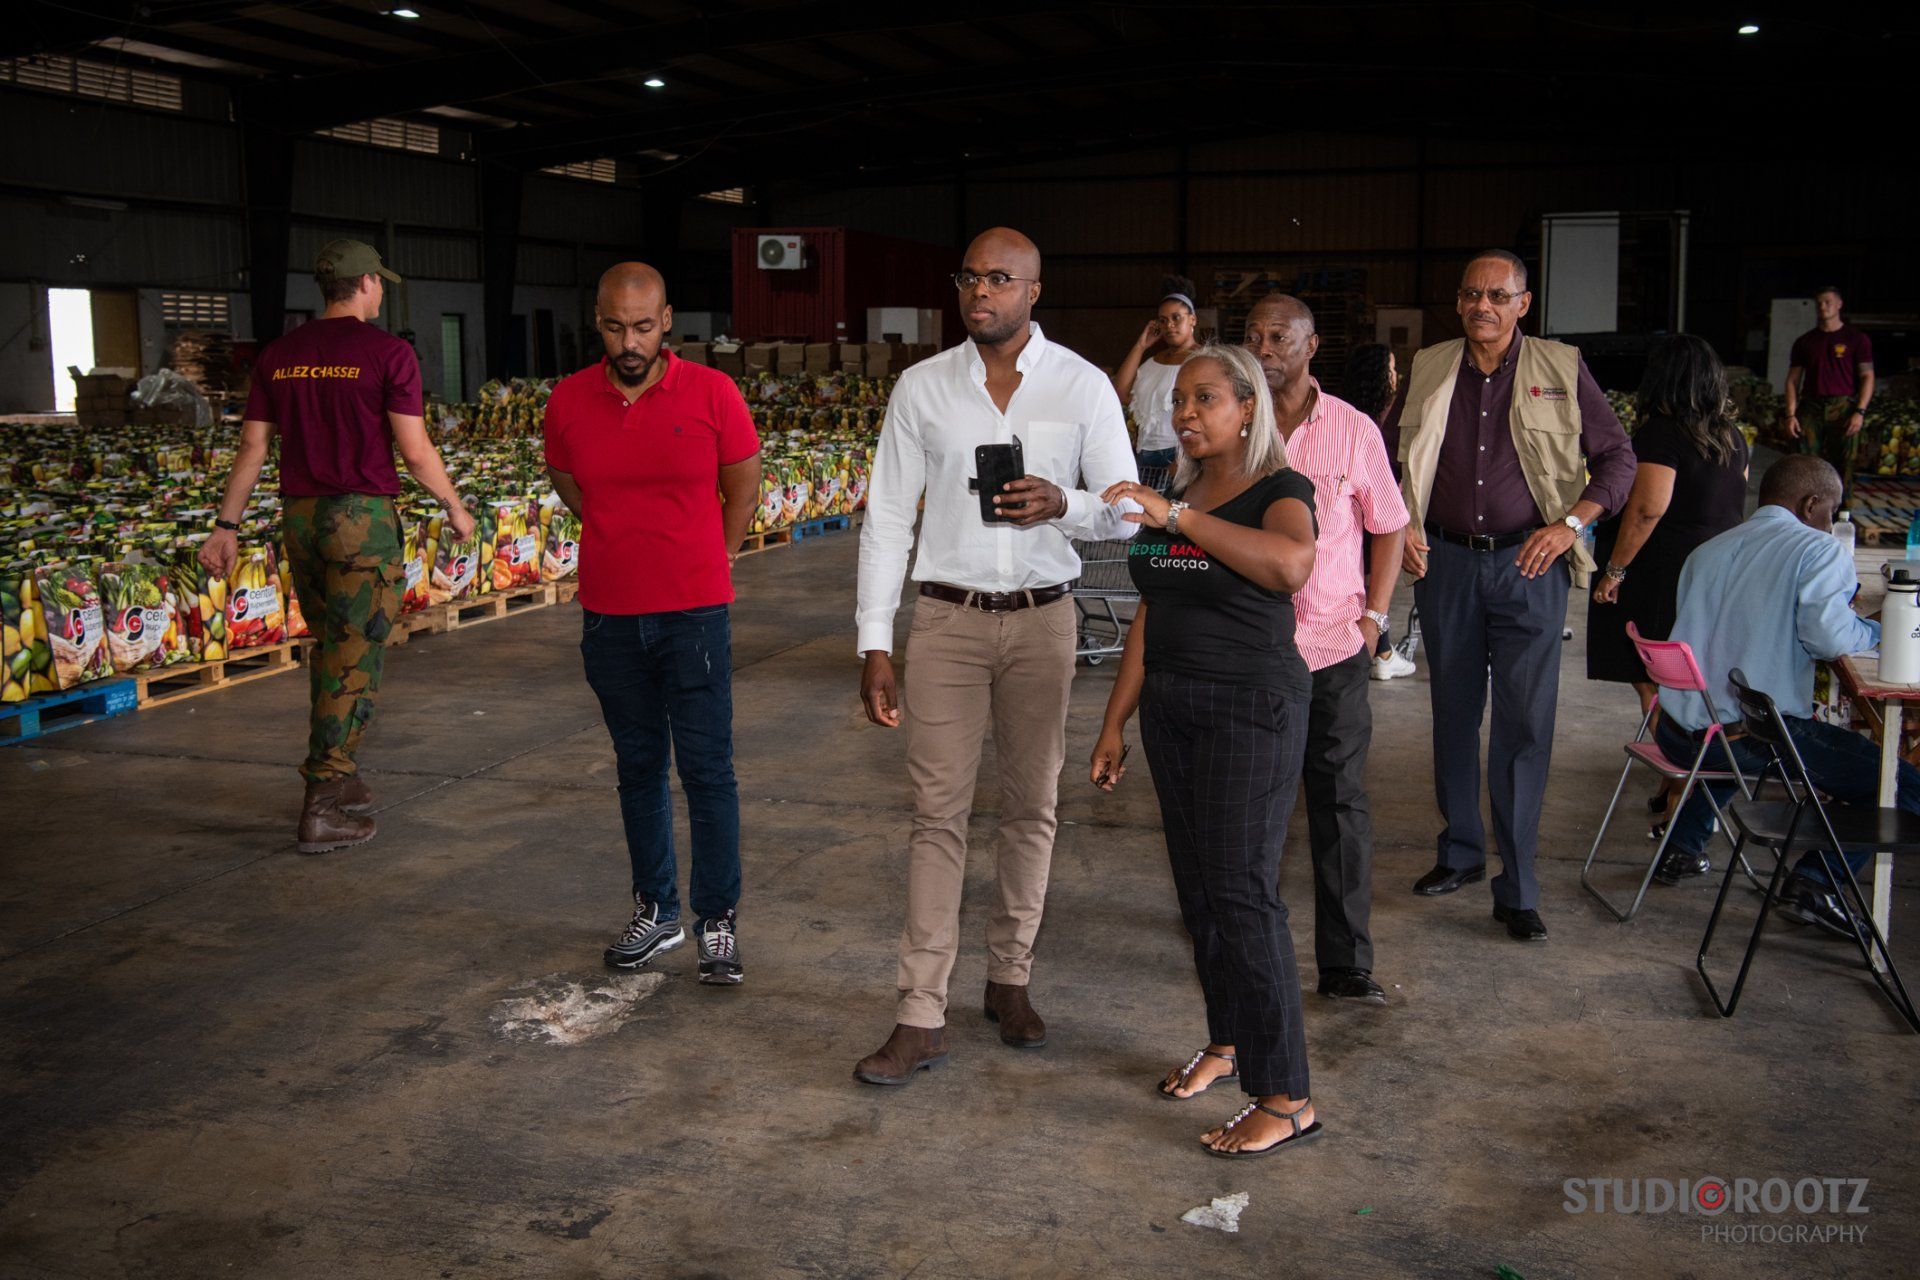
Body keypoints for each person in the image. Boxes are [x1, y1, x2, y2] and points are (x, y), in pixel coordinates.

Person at [852, 227, 1138, 1086]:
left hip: (1045, 623)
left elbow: (1126, 511)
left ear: (1034, 291)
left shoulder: (1082, 385)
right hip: (948, 622)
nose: (981, 292)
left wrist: (1064, 503)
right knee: (936, 814)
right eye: (970, 277)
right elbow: (888, 518)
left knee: (1032, 807)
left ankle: (1010, 979)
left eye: (1001, 279)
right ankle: (920, 1014)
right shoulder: (922, 387)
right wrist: (875, 640)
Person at [1089, 344, 1323, 1157]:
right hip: (1174, 707)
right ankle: (1228, 1042)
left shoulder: (1278, 491)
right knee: (1201, 894)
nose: (1185, 413)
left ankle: (1287, 1096)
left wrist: (1177, 519)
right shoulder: (1184, 489)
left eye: (1206, 399)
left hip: (1249, 710)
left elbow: (1291, 566)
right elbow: (1153, 612)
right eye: (1180, 400)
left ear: (1248, 408)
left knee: (1244, 894)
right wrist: (1116, 720)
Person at [1383, 249, 1635, 941]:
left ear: (1524, 303)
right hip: (1446, 565)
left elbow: (1618, 459)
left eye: (1498, 295)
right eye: (1471, 294)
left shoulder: (1561, 367)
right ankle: (1460, 852)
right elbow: (1380, 455)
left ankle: (1518, 886)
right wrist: (1398, 523)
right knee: (1454, 713)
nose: (1482, 306)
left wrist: (1571, 524)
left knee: (1524, 724)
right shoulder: (1431, 367)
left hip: (1530, 565)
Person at [201, 238, 474, 854]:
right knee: (355, 655)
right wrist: (454, 507)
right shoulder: (389, 353)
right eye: (379, 284)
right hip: (359, 522)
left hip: (301, 518)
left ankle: (341, 771)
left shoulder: (280, 355)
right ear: (367, 283)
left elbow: (253, 448)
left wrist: (226, 526)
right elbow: (415, 451)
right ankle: (322, 805)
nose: (381, 293)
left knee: (330, 648)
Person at [543, 263, 765, 984]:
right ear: (597, 323)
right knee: (637, 768)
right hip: (610, 618)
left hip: (694, 614)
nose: (629, 342)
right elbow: (568, 481)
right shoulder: (569, 401)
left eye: (643, 326)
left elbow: (744, 483)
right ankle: (657, 910)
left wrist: (717, 554)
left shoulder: (713, 392)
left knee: (707, 769)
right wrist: (621, 532)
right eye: (615, 327)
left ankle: (718, 920)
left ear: (667, 320)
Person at [1653, 454, 1920, 930]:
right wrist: (1878, 632)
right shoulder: (1819, 550)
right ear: (1811, 504)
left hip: (1678, 732)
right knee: (1898, 785)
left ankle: (1681, 846)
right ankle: (1816, 881)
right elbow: (1828, 640)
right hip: (1741, 739)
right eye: (1831, 512)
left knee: (1742, 723)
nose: (1831, 524)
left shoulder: (1708, 549)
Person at [1245, 297, 1409, 1004]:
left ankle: (1345, 965)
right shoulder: (1235, 424)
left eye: (1278, 336)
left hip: (1336, 645)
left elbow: (1389, 525)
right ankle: (1246, 943)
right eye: (1253, 336)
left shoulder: (1353, 428)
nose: (1263, 347)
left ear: (1311, 346)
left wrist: (1374, 618)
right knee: (1252, 802)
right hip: (1253, 648)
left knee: (1339, 803)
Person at [1588, 335, 1751, 721]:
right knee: (1694, 670)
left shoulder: (1662, 434)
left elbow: (1647, 510)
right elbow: (1733, 505)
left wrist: (1615, 570)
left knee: (1653, 671)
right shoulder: (1733, 436)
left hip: (1665, 573)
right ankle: (1694, 746)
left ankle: (1673, 753)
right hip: (1718, 570)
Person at [1343, 342, 1416, 681]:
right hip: (1379, 509)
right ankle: (1383, 652)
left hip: (1352, 514)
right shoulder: (1389, 417)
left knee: (1361, 579)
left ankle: (1383, 649)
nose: (1395, 375)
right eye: (1391, 368)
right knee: (1375, 582)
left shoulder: (1342, 413)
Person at [1786, 287, 1875, 505]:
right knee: (1806, 462)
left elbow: (1867, 376)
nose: (1822, 307)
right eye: (1819, 303)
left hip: (1842, 406)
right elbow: (1792, 380)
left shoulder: (1856, 339)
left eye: (1827, 302)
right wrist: (1790, 414)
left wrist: (1860, 411)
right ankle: (1807, 511)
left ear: (1839, 304)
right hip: (1811, 406)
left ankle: (1842, 512)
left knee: (1845, 463)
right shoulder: (1805, 341)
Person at [1112, 276, 1201, 479]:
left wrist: (1186, 458)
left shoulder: (1202, 360)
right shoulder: (1152, 363)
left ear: (1192, 319)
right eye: (1163, 320)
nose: (1169, 325)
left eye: (1176, 317)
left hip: (1178, 455)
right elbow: (1121, 393)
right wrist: (1141, 345)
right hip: (1144, 454)